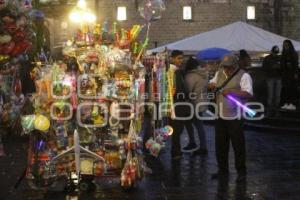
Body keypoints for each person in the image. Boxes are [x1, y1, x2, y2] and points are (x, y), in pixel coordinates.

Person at [209, 54, 253, 182]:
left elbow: (249, 93)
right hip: (220, 115)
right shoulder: (220, 73)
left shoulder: (244, 76)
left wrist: (232, 91)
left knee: (238, 146)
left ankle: (241, 172)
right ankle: (222, 170)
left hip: (235, 117)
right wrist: (211, 85)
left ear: (235, 65)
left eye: (229, 67)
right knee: (220, 146)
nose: (226, 69)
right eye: (225, 67)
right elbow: (212, 82)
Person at [169, 50, 194, 160]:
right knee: (177, 129)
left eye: (182, 58)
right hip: (178, 104)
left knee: (177, 129)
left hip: (178, 104)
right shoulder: (174, 72)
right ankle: (175, 152)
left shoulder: (178, 71)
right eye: (179, 58)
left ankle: (176, 151)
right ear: (172, 59)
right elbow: (178, 89)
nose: (181, 60)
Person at [183, 57, 208, 155]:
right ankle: (195, 143)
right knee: (194, 123)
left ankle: (202, 146)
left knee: (197, 125)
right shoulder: (202, 75)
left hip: (193, 104)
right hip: (201, 102)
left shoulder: (191, 76)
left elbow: (187, 91)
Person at [262, 46, 282, 114]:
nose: (275, 54)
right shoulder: (267, 58)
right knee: (271, 94)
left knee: (277, 95)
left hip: (277, 78)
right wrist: (272, 67)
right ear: (272, 52)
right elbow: (264, 68)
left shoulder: (279, 58)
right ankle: (270, 109)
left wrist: (279, 67)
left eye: (276, 53)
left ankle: (275, 109)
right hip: (270, 78)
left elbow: (283, 68)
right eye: (274, 53)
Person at [280, 40, 299, 111]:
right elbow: (282, 65)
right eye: (284, 45)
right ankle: (286, 103)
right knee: (285, 89)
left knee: (292, 89)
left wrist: (295, 73)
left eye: (286, 45)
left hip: (292, 74)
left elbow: (296, 65)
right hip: (285, 75)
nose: (285, 47)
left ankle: (292, 103)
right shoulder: (284, 54)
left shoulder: (293, 54)